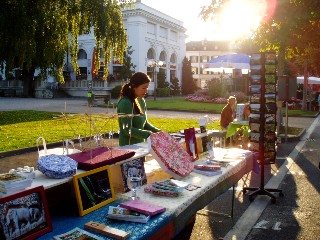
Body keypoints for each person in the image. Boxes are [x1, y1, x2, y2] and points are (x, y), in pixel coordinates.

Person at [117, 72, 161, 146]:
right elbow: (127, 130)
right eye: (143, 88)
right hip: (128, 148)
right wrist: (149, 134)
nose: (146, 91)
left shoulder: (141, 100)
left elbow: (145, 124)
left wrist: (160, 132)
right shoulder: (125, 103)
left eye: (147, 87)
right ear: (134, 87)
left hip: (141, 146)